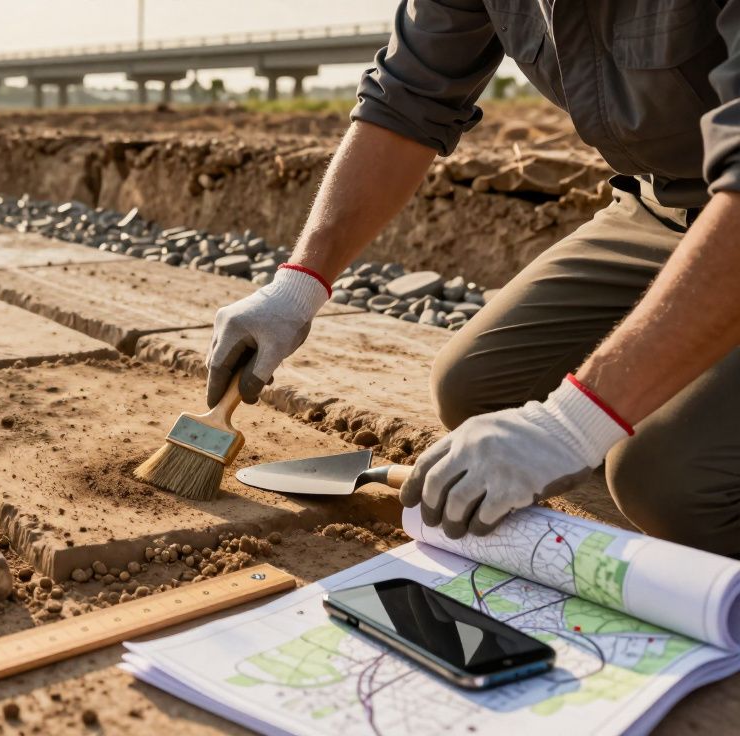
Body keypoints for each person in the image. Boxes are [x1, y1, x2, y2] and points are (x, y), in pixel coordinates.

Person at [205, 0, 740, 557]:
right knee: (478, 391)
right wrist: (297, 287)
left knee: (671, 483)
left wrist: (574, 424)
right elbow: (407, 100)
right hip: (660, 204)